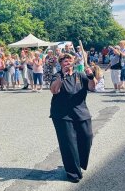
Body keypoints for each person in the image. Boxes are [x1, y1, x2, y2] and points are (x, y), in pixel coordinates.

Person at [50, 53, 96, 183]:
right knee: (69, 144)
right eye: (64, 61)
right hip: (62, 114)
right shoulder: (57, 75)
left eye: (69, 60)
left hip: (81, 112)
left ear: (74, 62)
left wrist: (91, 76)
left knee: (87, 137)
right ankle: (73, 173)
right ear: (61, 64)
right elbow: (54, 90)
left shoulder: (80, 75)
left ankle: (78, 163)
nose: (67, 63)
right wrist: (62, 77)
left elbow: (92, 87)